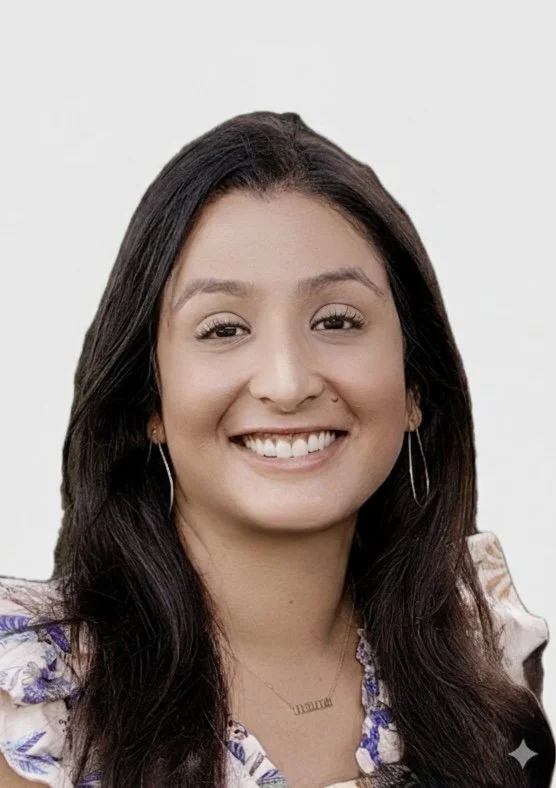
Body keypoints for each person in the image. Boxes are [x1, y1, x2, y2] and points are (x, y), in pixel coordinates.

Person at [0, 110, 553, 788]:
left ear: (416, 386)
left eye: (338, 320)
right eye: (224, 328)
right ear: (150, 402)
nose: (287, 383)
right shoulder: (34, 700)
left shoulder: (482, 661)